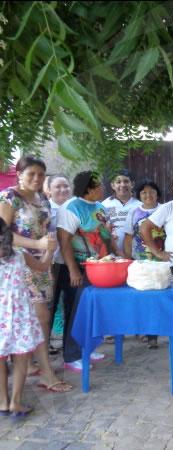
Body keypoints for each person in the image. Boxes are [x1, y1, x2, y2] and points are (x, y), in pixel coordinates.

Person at [0, 156, 73, 392]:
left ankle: (29, 363)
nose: (36, 178)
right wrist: (38, 244)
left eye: (41, 175)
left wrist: (47, 253)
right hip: (18, 264)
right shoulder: (9, 197)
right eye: (31, 174)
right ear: (19, 174)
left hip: (42, 263)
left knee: (39, 317)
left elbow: (46, 229)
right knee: (39, 315)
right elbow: (3, 235)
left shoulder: (42, 197)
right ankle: (47, 373)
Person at [57, 171, 115, 373]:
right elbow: (64, 241)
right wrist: (73, 271)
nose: (102, 188)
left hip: (100, 268)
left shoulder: (100, 207)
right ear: (88, 188)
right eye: (98, 185)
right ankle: (71, 356)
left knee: (90, 310)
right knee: (75, 312)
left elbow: (106, 235)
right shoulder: (71, 207)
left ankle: (87, 348)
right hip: (79, 268)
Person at [0, 217, 51, 417]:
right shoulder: (20, 255)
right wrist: (49, 250)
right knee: (21, 358)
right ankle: (16, 402)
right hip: (20, 312)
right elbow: (43, 267)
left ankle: (2, 402)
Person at [123, 180, 166, 350]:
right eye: (144, 193)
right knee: (145, 299)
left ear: (158, 194)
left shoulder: (165, 209)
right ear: (139, 195)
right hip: (141, 261)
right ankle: (150, 336)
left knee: (161, 298)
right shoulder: (134, 213)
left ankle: (165, 331)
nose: (148, 196)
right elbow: (128, 237)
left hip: (162, 262)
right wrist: (128, 258)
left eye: (152, 192)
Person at [46, 174, 72, 356]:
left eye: (65, 186)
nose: (62, 190)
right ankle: (44, 347)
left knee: (72, 307)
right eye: (58, 187)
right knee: (50, 307)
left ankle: (71, 348)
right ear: (49, 190)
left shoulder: (73, 209)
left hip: (71, 265)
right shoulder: (46, 211)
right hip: (51, 266)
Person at [101, 169, 141, 255]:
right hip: (109, 253)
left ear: (132, 184)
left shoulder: (139, 206)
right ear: (112, 185)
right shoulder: (104, 205)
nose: (122, 185)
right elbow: (99, 228)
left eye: (126, 181)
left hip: (134, 254)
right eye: (118, 182)